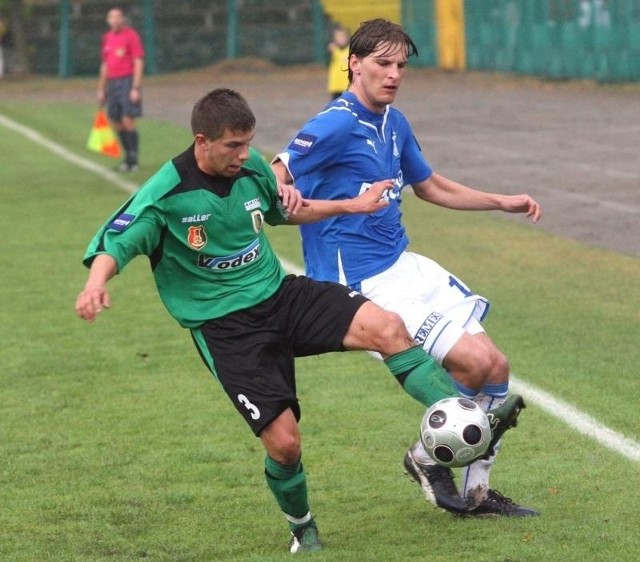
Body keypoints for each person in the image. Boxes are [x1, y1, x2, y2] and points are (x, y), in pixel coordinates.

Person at [75, 88, 524, 553]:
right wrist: (96, 284)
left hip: (281, 296)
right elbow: (117, 243)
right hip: (227, 328)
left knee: (387, 327)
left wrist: (353, 205)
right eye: (233, 146)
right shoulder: (166, 196)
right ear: (202, 141)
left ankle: (464, 419)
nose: (246, 155)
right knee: (286, 444)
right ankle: (302, 525)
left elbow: (290, 211)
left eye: (248, 143)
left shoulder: (249, 171)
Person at [271, 19, 542, 517]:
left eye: (401, 65)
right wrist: (288, 189)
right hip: (361, 283)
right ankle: (433, 460)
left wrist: (500, 201)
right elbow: (275, 177)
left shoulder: (394, 121)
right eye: (382, 63)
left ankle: (465, 483)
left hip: (405, 265)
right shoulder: (334, 123)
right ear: (353, 64)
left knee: (496, 368)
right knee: (471, 366)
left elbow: (429, 185)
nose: (394, 74)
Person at [97, 6, 144, 172]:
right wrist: (101, 89)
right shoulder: (107, 38)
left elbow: (138, 61)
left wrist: (135, 87)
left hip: (127, 81)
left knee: (127, 119)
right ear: (108, 20)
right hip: (112, 83)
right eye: (112, 17)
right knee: (116, 121)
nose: (115, 19)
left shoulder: (131, 36)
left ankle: (134, 158)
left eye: (118, 16)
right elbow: (105, 65)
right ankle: (127, 156)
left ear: (122, 19)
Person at [326, 26, 350, 100]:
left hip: (348, 86)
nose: (341, 38)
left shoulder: (351, 50)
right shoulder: (332, 50)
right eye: (338, 36)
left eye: (343, 36)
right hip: (336, 86)